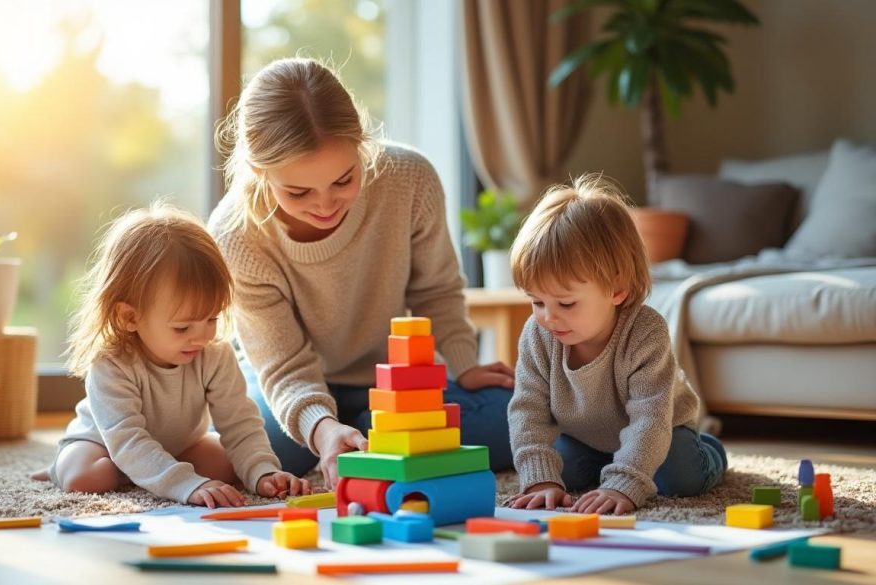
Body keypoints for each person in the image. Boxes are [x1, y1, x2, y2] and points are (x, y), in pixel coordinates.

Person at [208, 57, 515, 488]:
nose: (326, 204)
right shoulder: (234, 234)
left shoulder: (410, 179)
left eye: (343, 179)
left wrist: (464, 364)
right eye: (298, 192)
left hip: (394, 380)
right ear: (260, 172)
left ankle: (369, 428)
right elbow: (283, 366)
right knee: (260, 457)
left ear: (361, 145)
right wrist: (323, 427)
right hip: (292, 385)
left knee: (515, 423)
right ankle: (354, 432)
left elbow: (437, 291)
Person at [33, 202, 310, 508]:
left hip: (182, 447)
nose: (203, 335)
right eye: (182, 327)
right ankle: (70, 468)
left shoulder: (213, 353)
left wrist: (263, 472)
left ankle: (152, 471)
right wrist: (185, 484)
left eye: (212, 319)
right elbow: (126, 440)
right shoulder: (111, 363)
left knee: (227, 464)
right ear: (129, 317)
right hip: (106, 446)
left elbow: (240, 423)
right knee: (84, 477)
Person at [506, 174, 727, 514]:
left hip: (659, 428)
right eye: (537, 302)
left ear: (617, 290)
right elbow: (528, 411)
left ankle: (709, 450)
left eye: (565, 304)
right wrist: (541, 479)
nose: (548, 317)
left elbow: (649, 418)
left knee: (679, 480)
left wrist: (625, 483)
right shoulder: (538, 335)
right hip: (586, 438)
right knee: (559, 470)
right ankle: (610, 464)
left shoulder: (645, 331)